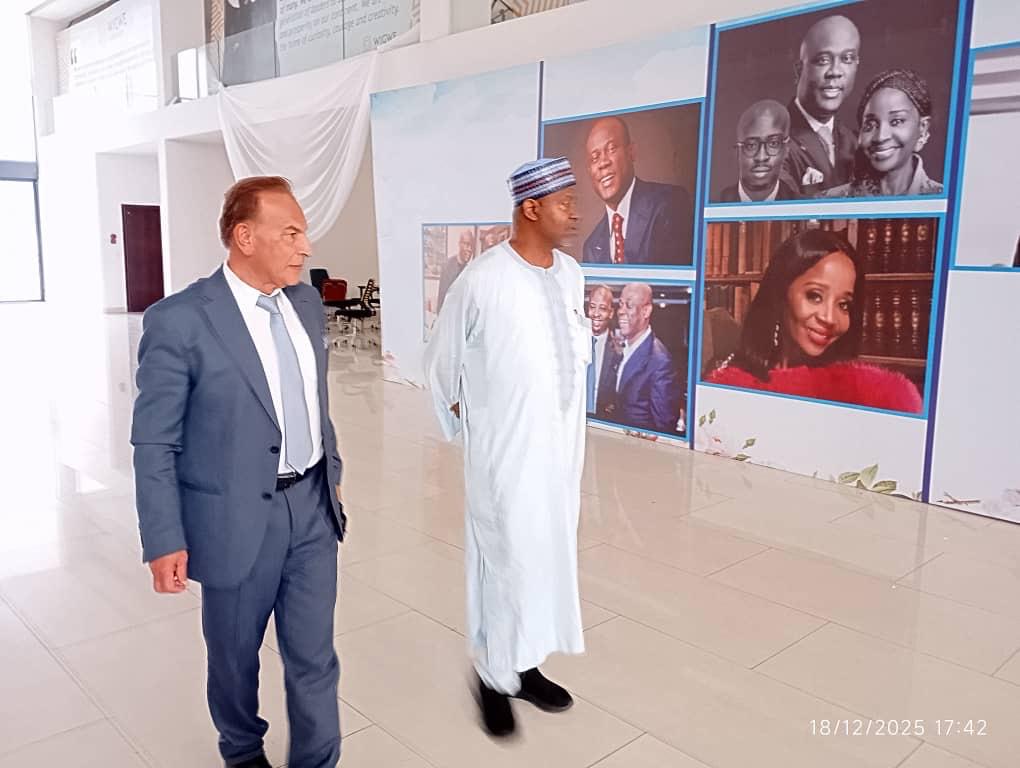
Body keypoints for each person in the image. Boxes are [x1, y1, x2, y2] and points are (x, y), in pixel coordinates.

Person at [131, 176, 348, 768]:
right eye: (292, 233)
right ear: (244, 237)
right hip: (231, 517)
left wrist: (331, 472)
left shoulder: (305, 303)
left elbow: (311, 399)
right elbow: (154, 440)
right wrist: (164, 537)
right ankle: (242, 751)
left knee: (314, 658)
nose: (305, 248)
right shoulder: (179, 321)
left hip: (311, 508)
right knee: (233, 657)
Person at [424, 157, 587, 738]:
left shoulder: (569, 273)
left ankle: (525, 665)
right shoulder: (483, 278)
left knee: (543, 557)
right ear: (531, 208)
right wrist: (472, 425)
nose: (576, 209)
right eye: (565, 200)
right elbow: (441, 362)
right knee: (505, 561)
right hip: (505, 456)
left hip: (561, 456)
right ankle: (493, 678)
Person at [706, 228, 923, 412]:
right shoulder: (731, 383)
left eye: (844, 305)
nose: (829, 318)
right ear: (781, 293)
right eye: (814, 296)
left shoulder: (880, 395)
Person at [581, 115, 694, 265]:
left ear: (631, 152)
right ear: (589, 171)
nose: (603, 163)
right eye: (594, 158)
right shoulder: (591, 246)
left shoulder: (669, 204)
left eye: (611, 149)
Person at [822, 69, 944, 198]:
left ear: (923, 129)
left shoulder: (944, 200)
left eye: (896, 121)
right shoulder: (828, 201)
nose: (880, 137)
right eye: (870, 125)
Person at [783, 14, 861, 195]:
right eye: (823, 60)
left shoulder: (856, 142)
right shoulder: (774, 141)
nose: (835, 72)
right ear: (799, 70)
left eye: (847, 59)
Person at [602, 283, 683, 434]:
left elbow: (664, 426)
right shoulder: (622, 349)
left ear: (646, 311)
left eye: (629, 305)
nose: (621, 312)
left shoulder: (659, 361)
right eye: (620, 305)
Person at [719, 100, 800, 202]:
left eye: (773, 144)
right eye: (751, 145)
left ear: (786, 149)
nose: (761, 157)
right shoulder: (715, 202)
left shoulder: (804, 210)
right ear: (737, 152)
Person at [586, 283, 618, 415]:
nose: (596, 314)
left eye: (603, 308)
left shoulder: (619, 351)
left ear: (611, 313)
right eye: (592, 307)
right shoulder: (573, 342)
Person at [437, 227, 477, 312]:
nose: (469, 249)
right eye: (467, 244)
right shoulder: (448, 266)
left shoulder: (469, 269)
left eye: (472, 246)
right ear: (460, 244)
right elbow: (442, 300)